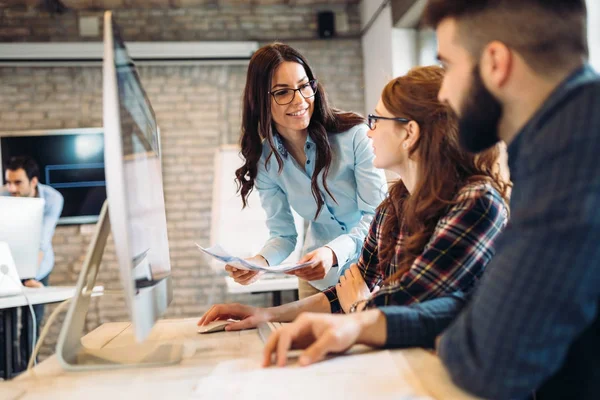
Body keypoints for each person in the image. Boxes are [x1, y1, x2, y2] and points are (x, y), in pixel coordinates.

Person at [263, 1, 600, 399]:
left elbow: (488, 359)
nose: (445, 93)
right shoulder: (559, 144)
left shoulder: (576, 157)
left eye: (450, 65)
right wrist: (362, 322)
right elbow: (469, 308)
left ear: (495, 62)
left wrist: (368, 313)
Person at [199, 66, 509, 332]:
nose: (368, 131)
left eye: (377, 120)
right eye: (282, 92)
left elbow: (408, 304)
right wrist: (264, 314)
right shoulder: (394, 205)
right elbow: (353, 290)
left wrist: (359, 306)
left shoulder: (477, 201)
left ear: (409, 133)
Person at [227, 43, 387, 299]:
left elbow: (378, 218)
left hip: (373, 277)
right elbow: (283, 234)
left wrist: (333, 252)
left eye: (304, 86)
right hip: (318, 284)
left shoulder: (355, 136)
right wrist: (259, 262)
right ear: (260, 100)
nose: (300, 100)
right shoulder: (266, 162)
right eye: (282, 92)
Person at [4, 155, 63, 368]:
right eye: (8, 182)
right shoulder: (4, 195)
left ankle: (30, 369)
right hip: (7, 269)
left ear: (34, 181)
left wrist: (29, 275)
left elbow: (42, 240)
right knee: (5, 322)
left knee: (32, 321)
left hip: (39, 267)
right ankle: (8, 371)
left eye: (18, 182)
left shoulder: (53, 199)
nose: (11, 188)